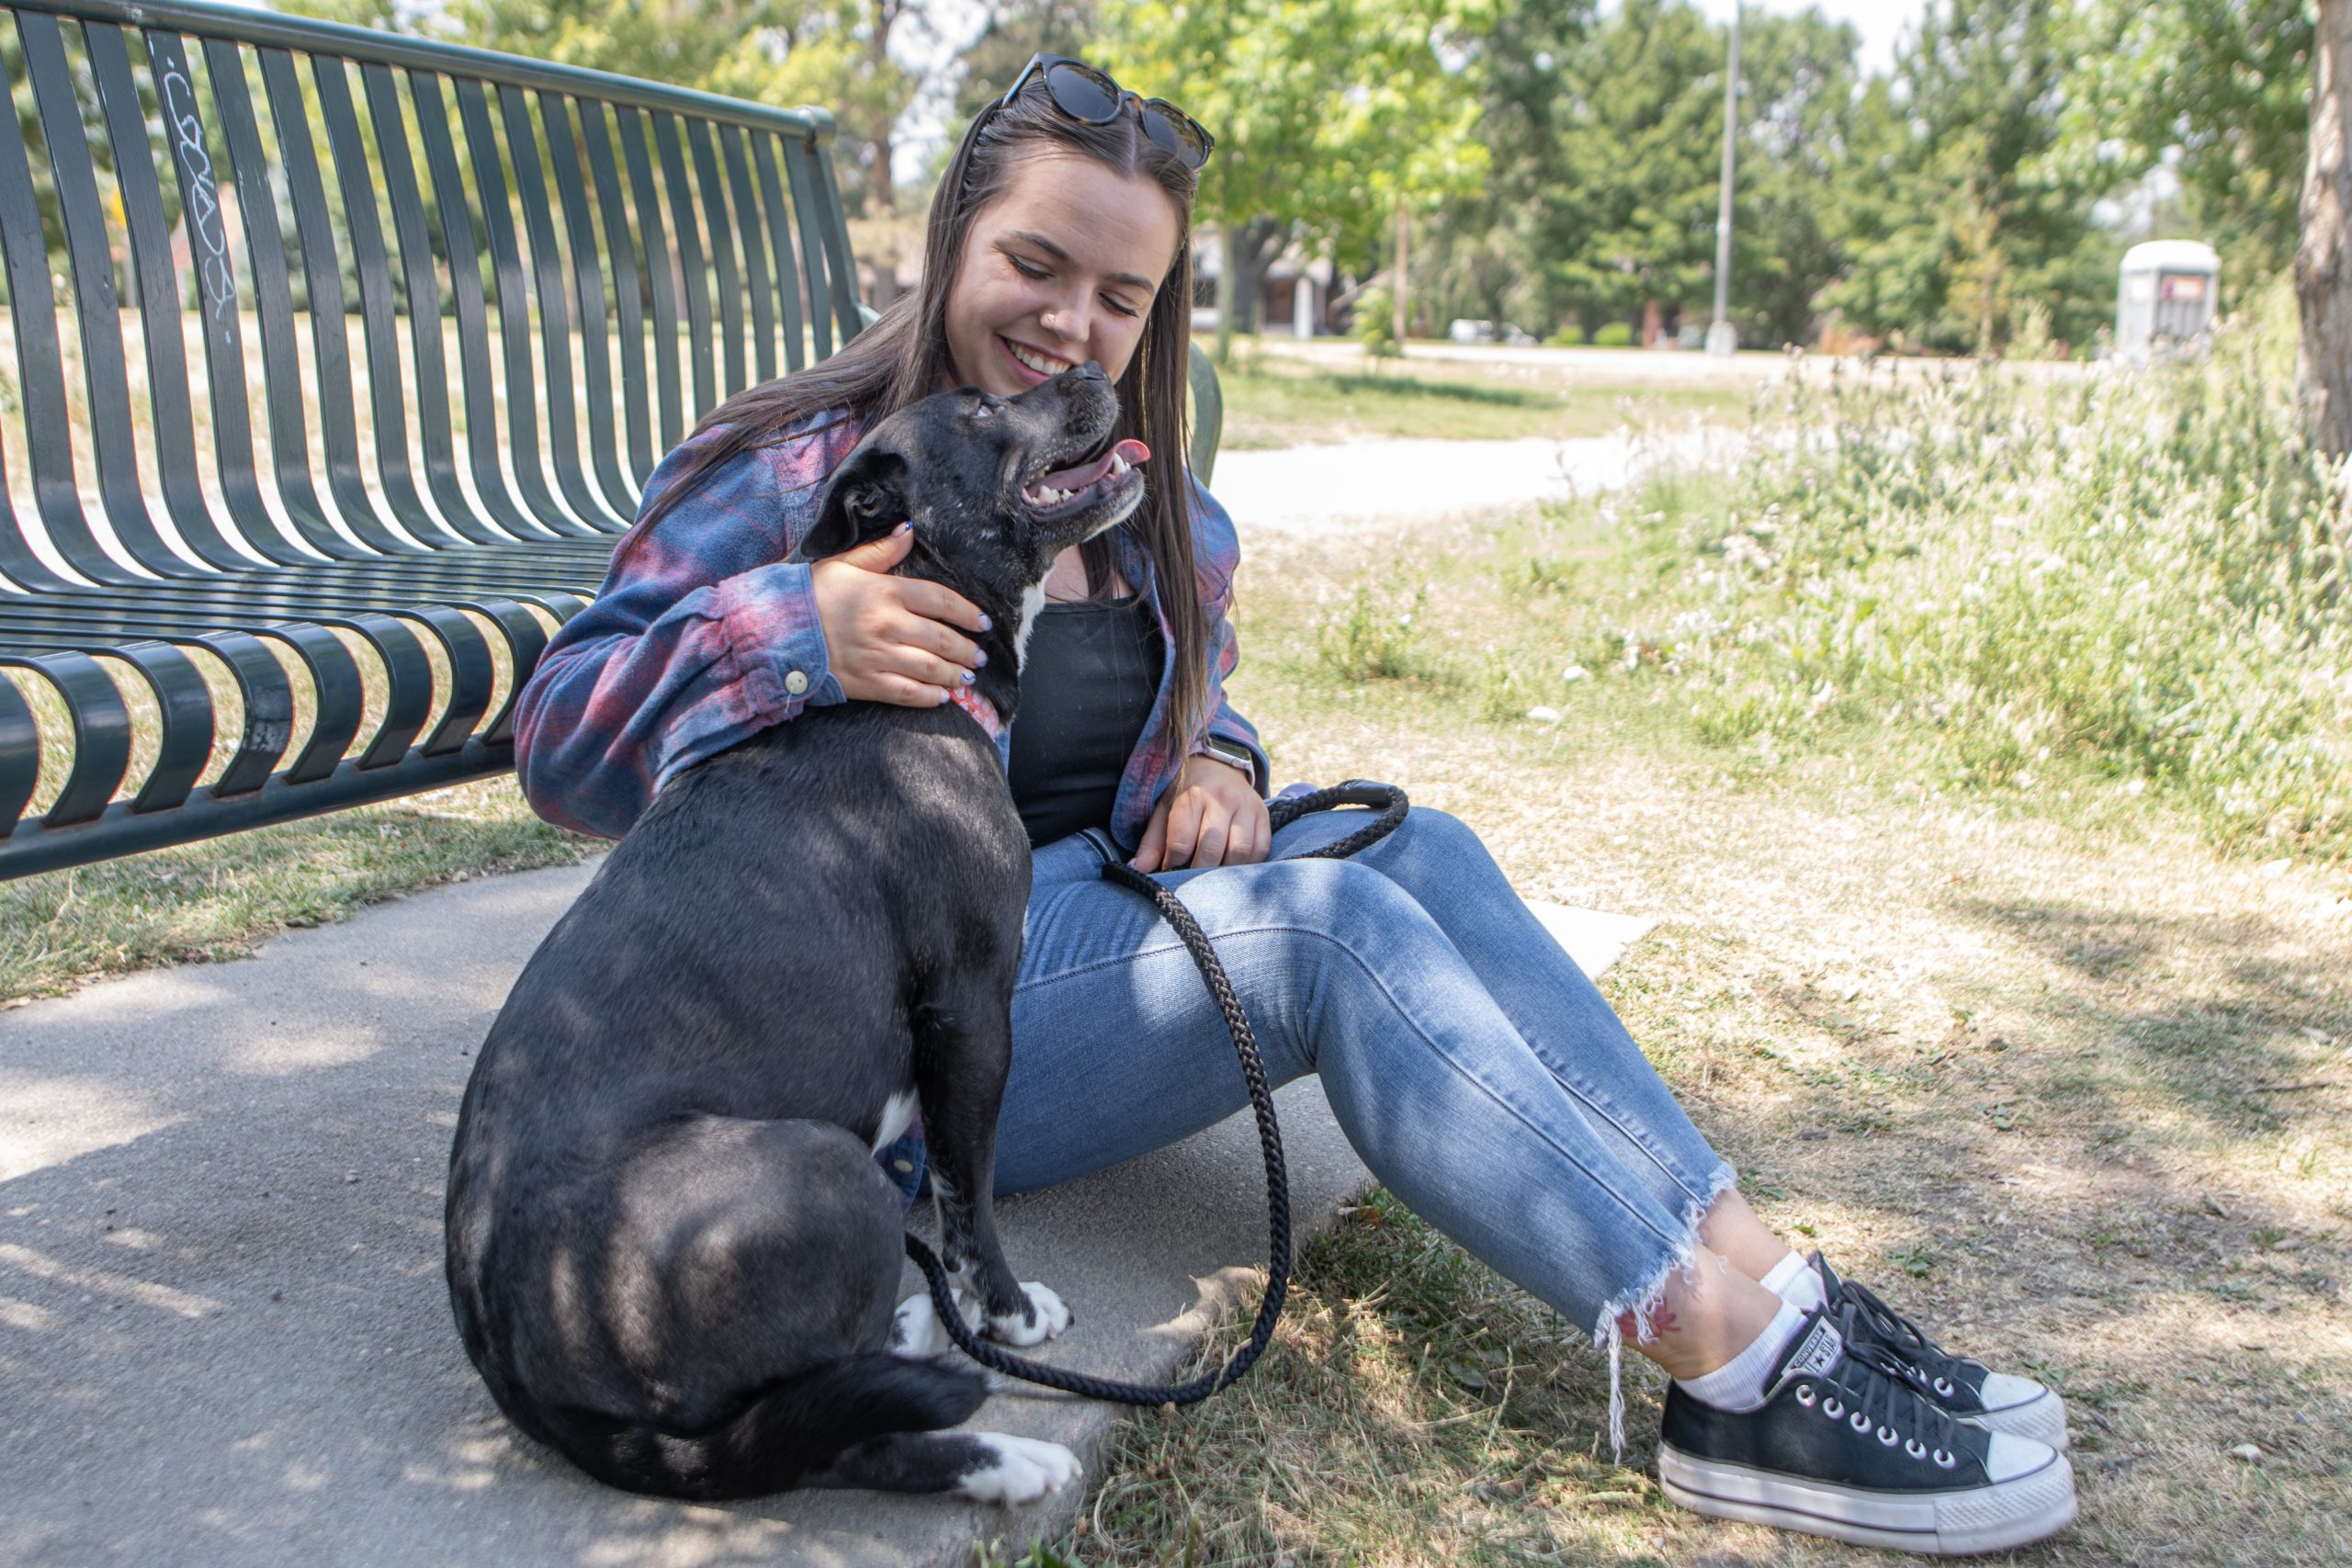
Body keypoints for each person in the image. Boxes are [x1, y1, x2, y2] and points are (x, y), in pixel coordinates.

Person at [511, 54, 2077, 1555]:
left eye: (1121, 298)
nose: (1072, 325)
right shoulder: (810, 473)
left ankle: (1778, 1290)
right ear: (951, 243)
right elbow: (557, 739)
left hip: (1069, 915)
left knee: (1422, 849)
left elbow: (1176, 705)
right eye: (1036, 266)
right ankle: (1719, 1362)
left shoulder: (1152, 507)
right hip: (900, 1033)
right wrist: (800, 629)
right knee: (1326, 938)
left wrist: (1222, 763)